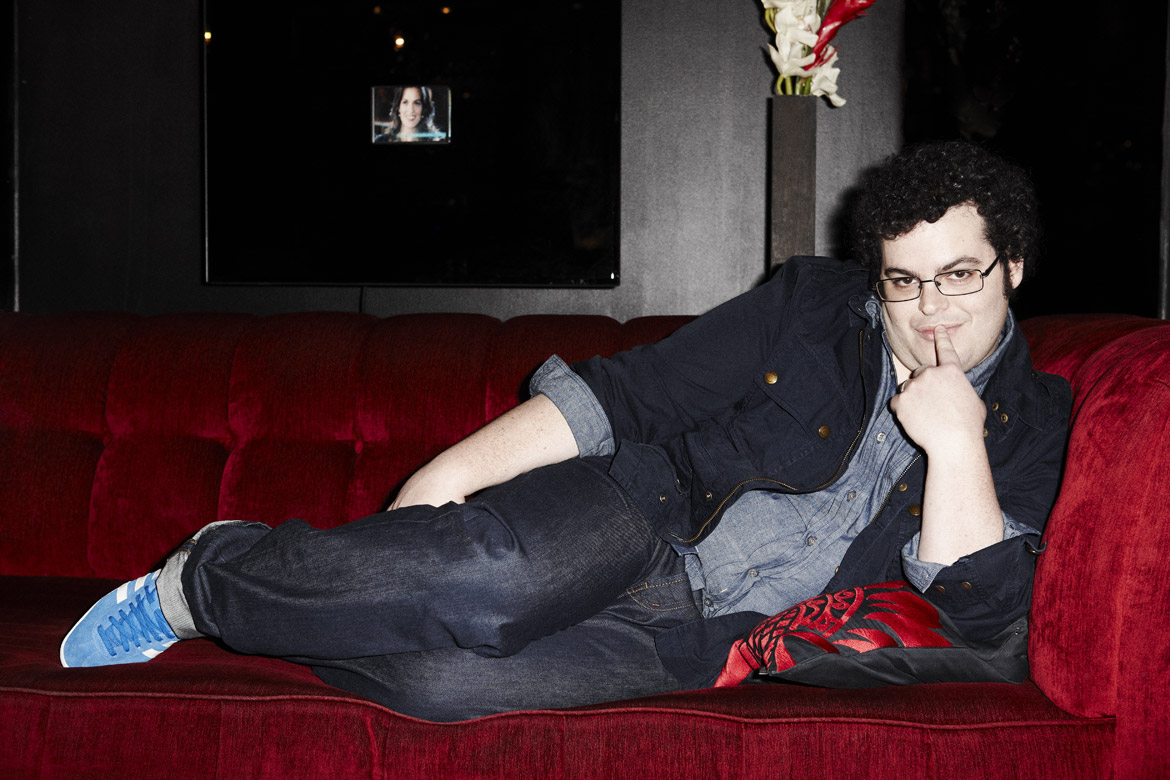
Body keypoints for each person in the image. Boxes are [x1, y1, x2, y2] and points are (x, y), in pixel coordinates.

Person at [60, 140, 1071, 721]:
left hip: (703, 636)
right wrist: (445, 478)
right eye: (904, 281)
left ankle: (288, 576)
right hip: (640, 512)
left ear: (1013, 266)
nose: (930, 311)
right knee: (489, 585)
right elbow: (632, 395)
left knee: (441, 684)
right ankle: (200, 581)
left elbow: (984, 611)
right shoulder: (811, 306)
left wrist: (957, 441)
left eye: (959, 276)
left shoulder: (1043, 423)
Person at [377, 86, 444, 143]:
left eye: (417, 103)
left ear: (423, 109)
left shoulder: (437, 141)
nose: (411, 110)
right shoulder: (380, 140)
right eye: (405, 102)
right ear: (398, 108)